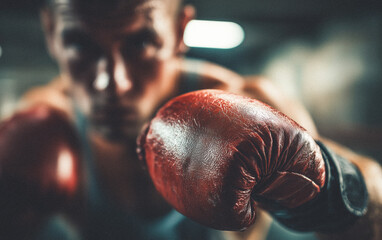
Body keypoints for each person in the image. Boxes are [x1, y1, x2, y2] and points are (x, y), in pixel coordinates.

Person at [2, 0, 381, 239]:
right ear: (51, 34)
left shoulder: (249, 99)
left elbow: (372, 213)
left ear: (181, 30)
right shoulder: (44, 123)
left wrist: (325, 186)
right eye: (80, 44)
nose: (111, 82)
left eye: (140, 43)